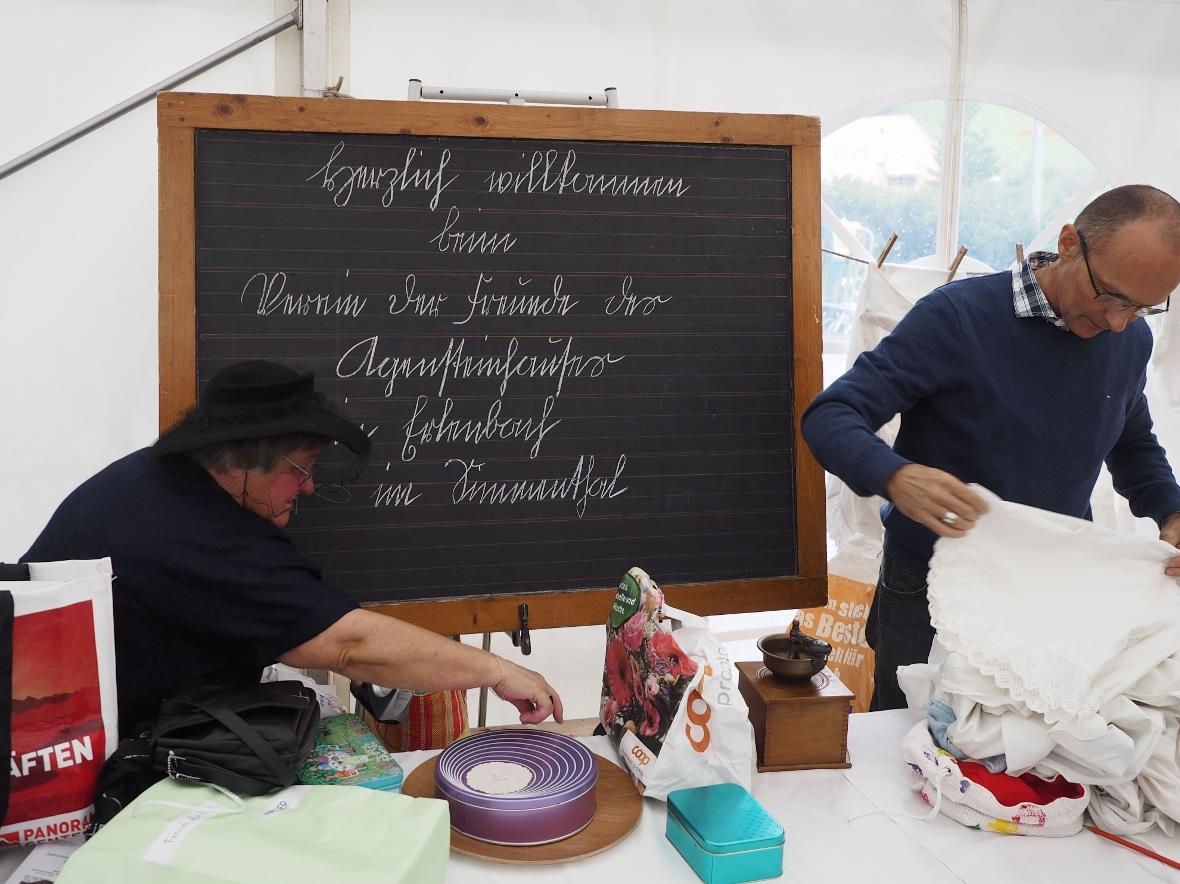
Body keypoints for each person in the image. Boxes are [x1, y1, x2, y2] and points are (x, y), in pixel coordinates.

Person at [22, 359, 563, 735]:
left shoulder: (157, 481)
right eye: (300, 469)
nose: (307, 488)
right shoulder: (197, 533)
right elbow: (348, 646)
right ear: (239, 460)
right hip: (65, 755)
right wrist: (496, 670)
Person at [802, 184, 1180, 711]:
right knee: (907, 747)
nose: (1117, 321)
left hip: (1047, 587)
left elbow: (1131, 439)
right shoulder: (958, 318)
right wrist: (894, 476)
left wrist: (1170, 508)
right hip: (931, 589)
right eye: (1110, 295)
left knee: (1026, 746)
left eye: (1142, 307)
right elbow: (830, 415)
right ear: (1070, 242)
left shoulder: (1130, 339)